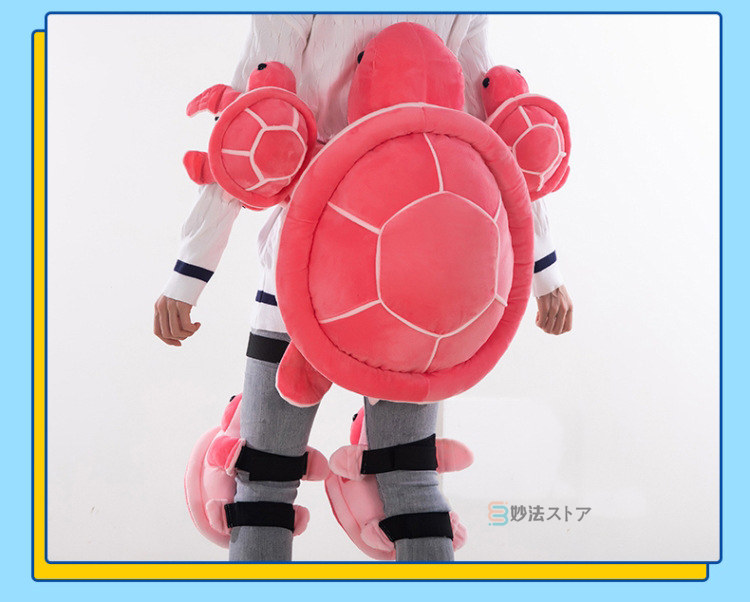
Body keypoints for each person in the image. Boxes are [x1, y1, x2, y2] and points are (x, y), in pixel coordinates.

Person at [153, 14, 573, 562]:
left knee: (265, 478)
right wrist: (545, 272)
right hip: (421, 271)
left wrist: (189, 273)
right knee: (412, 480)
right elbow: (494, 129)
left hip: (307, 264)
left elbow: (250, 121)